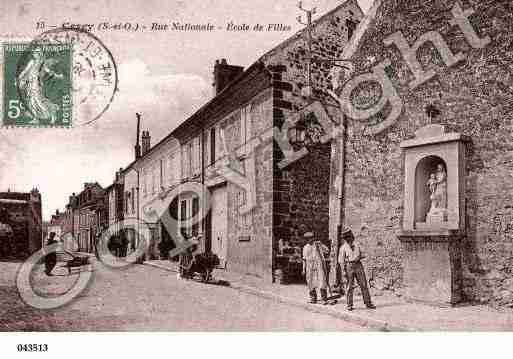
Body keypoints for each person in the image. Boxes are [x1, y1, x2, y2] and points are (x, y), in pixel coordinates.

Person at [338, 228, 376, 311]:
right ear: (345, 239)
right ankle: (349, 304)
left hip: (358, 265)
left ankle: (368, 303)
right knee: (349, 286)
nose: (349, 239)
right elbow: (341, 261)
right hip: (349, 266)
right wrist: (344, 271)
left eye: (350, 237)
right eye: (347, 238)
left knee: (363, 284)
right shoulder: (343, 248)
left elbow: (364, 254)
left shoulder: (357, 245)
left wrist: (360, 256)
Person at [302, 232, 330, 305]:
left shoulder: (318, 245)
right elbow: (304, 259)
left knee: (322, 281)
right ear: (306, 240)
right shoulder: (305, 248)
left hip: (319, 265)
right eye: (308, 239)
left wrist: (321, 245)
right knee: (310, 282)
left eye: (311, 238)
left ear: (313, 238)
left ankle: (324, 298)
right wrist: (303, 269)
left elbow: (327, 250)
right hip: (310, 266)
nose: (310, 240)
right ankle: (313, 298)